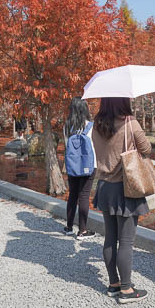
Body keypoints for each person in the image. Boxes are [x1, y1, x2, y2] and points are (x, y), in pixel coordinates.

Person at [91, 97, 151, 304]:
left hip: (104, 187)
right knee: (126, 241)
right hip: (125, 189)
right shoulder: (130, 123)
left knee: (110, 237)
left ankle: (114, 283)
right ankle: (126, 289)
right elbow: (147, 149)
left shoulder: (96, 125)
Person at [63, 97, 96, 238]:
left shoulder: (67, 126)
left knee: (73, 195)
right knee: (84, 196)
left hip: (72, 165)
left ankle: (69, 227)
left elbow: (66, 146)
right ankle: (82, 230)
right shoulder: (92, 126)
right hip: (89, 165)